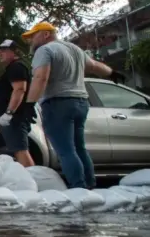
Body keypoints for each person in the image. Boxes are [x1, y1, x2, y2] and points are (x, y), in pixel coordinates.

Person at [23, 22, 124, 189]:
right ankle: (90, 185)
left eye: (33, 36)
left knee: (66, 151)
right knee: (79, 148)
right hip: (81, 102)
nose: (31, 41)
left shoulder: (45, 50)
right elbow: (95, 66)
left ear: (46, 34)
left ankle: (79, 188)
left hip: (58, 103)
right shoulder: (74, 49)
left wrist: (29, 104)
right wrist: (112, 73)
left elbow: (40, 78)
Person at [0, 39, 36, 167]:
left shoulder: (16, 67)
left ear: (15, 52)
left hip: (15, 118)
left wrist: (9, 113)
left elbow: (20, 89)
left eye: (4, 50)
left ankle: (34, 180)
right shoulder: (12, 68)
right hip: (12, 118)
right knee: (18, 150)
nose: (0, 53)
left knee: (21, 151)